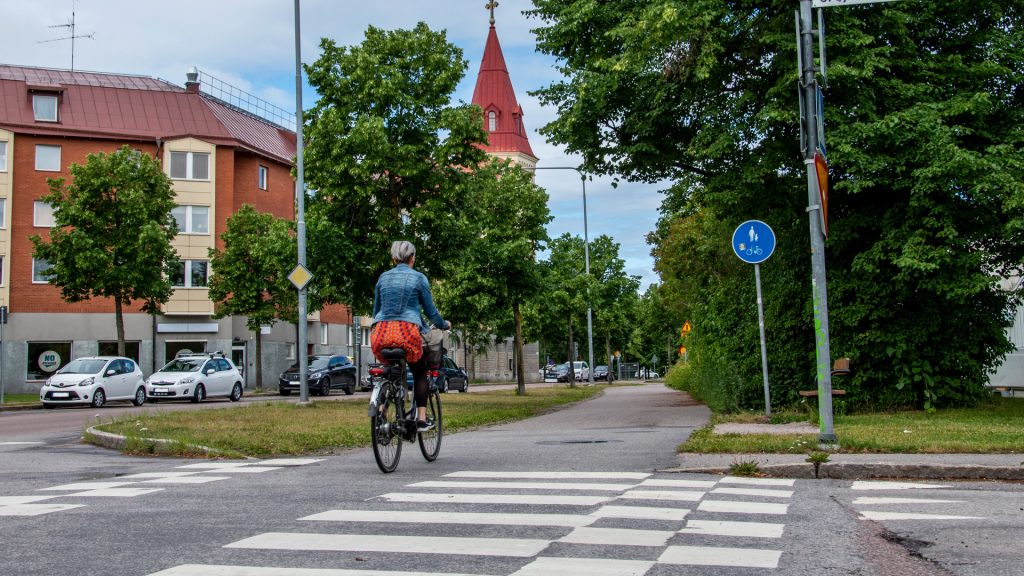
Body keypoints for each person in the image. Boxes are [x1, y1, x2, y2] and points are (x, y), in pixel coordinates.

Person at [370, 241, 451, 431]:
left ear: (393, 258)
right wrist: (444, 324)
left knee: (390, 370)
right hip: (407, 333)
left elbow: (376, 310)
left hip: (381, 332)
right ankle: (422, 419)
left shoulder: (382, 278)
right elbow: (431, 312)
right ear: (412, 258)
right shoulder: (419, 278)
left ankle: (381, 411)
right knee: (420, 372)